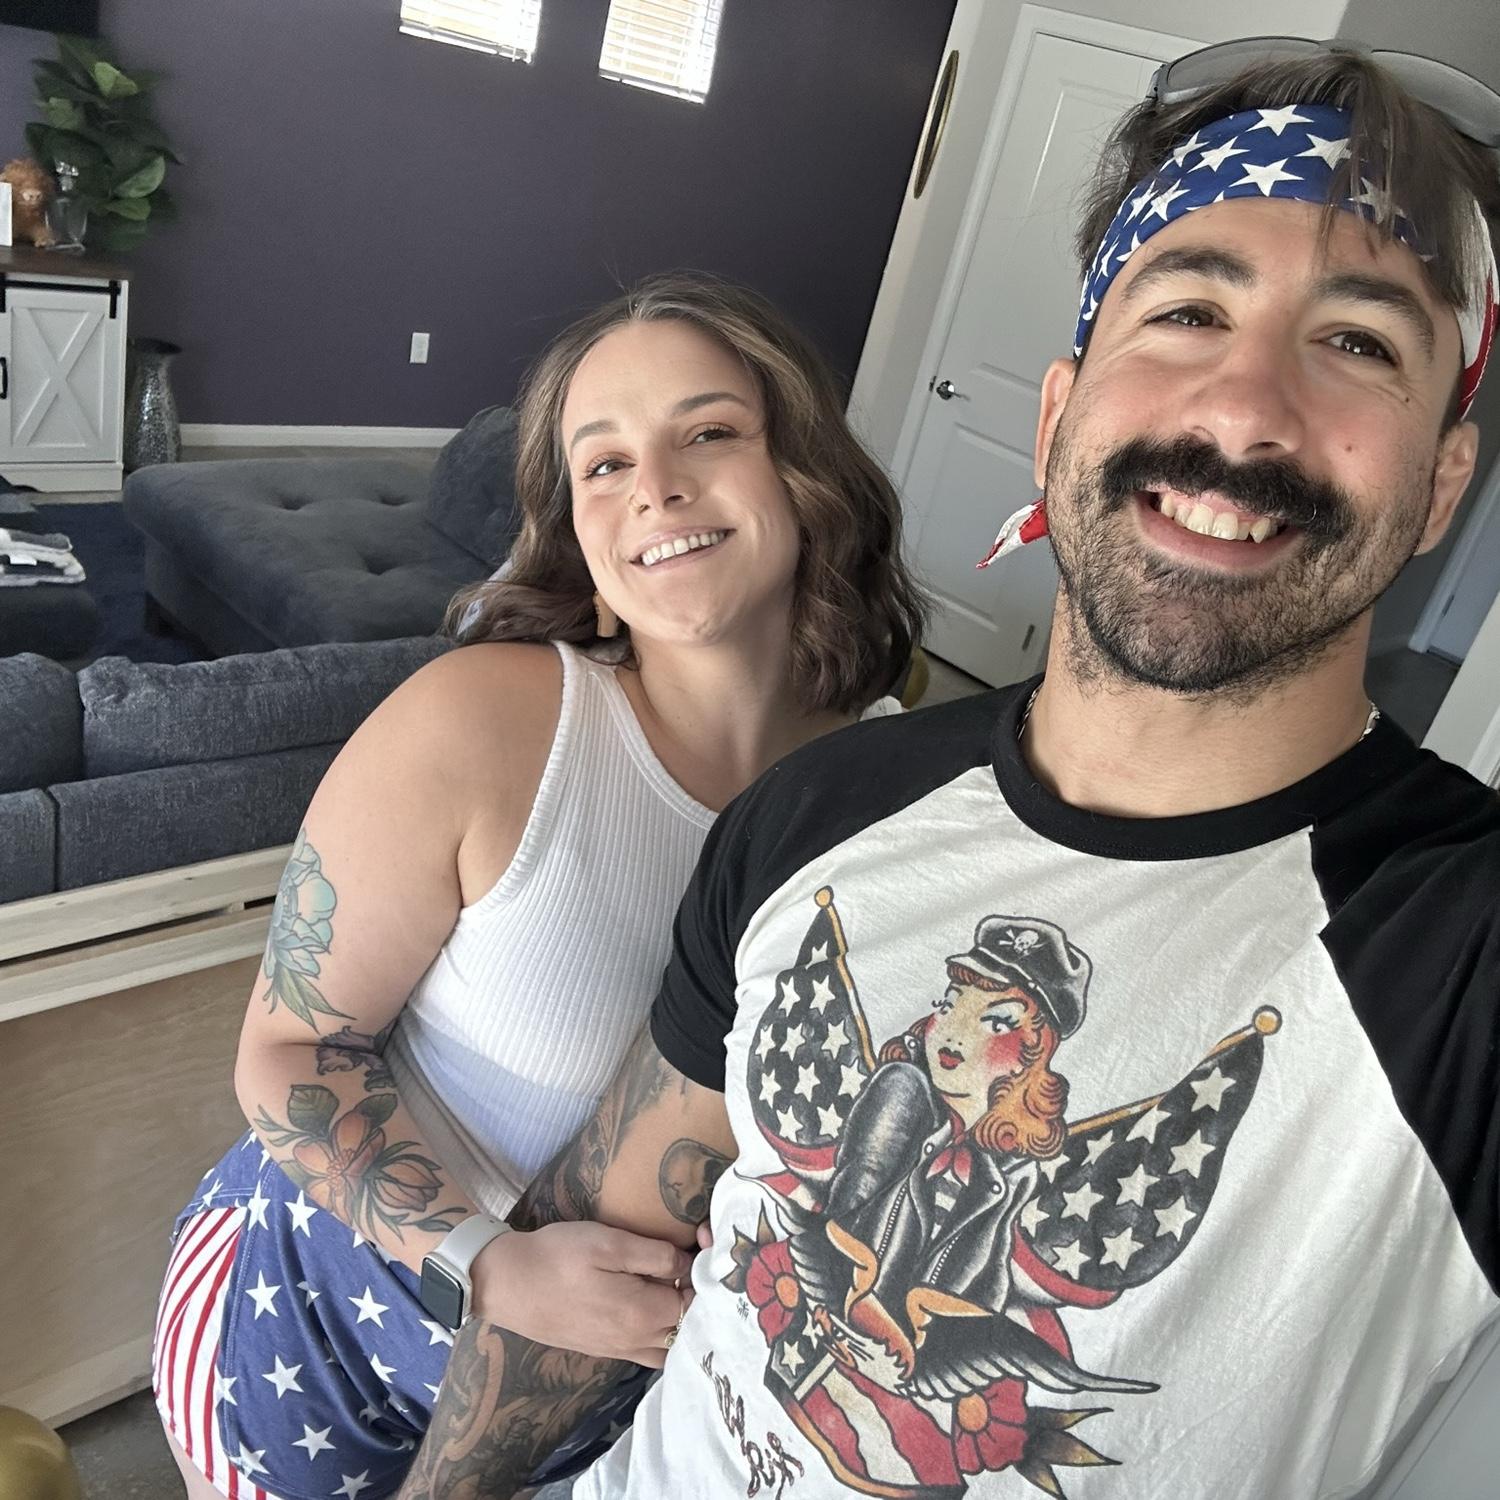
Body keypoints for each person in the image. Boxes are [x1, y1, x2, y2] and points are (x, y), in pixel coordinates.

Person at [398, 42, 1500, 1500]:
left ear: (1440, 483)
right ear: (1057, 419)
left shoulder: (1456, 947)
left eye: (1358, 344)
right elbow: (598, 1260)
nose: (1243, 410)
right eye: (1186, 311)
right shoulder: (817, 809)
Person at [151, 271, 929, 1500]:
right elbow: (287, 1051)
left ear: (805, 467)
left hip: (610, 1411)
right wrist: (484, 1262)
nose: (655, 487)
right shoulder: (484, 721)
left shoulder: (895, 780)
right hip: (316, 1334)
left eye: (708, 432)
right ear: (574, 524)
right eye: (603, 463)